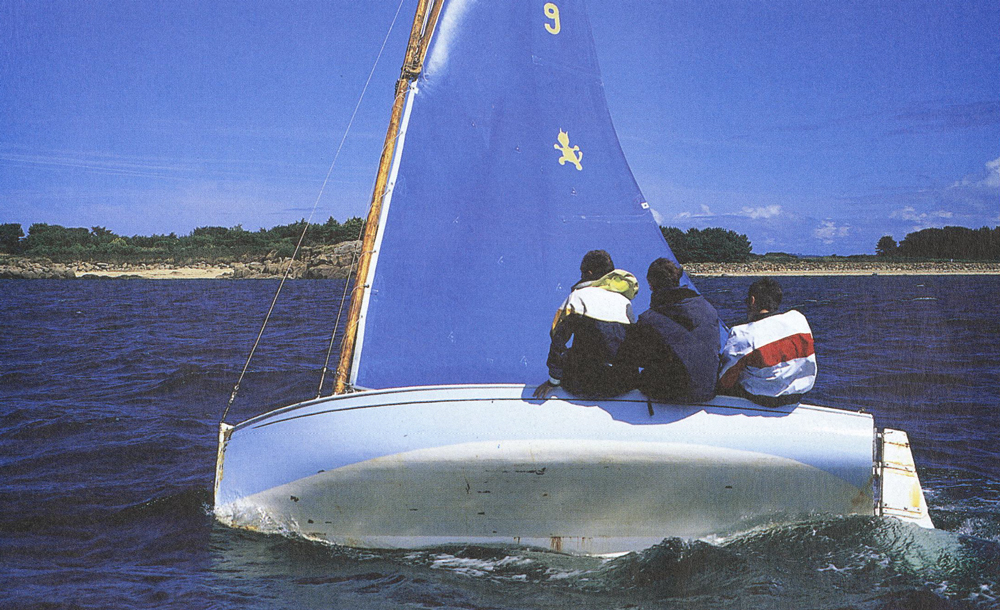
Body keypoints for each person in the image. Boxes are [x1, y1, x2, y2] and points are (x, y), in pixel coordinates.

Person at [533, 250, 638, 399]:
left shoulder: (577, 297)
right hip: (621, 385)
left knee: (570, 353)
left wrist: (553, 381)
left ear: (588, 273)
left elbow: (558, 338)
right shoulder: (625, 303)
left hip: (584, 384)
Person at [616, 258, 721, 402]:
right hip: (708, 389)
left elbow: (633, 358)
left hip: (673, 392)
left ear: (651, 285)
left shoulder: (649, 319)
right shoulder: (708, 308)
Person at [717, 277, 816, 407]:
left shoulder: (742, 334)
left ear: (752, 301)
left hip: (765, 398)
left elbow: (725, 381)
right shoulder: (799, 319)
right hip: (796, 396)